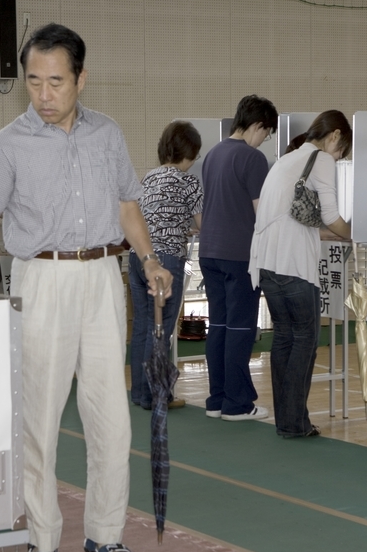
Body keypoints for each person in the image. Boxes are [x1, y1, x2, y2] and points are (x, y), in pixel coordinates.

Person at [0, 23, 173, 552]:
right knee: (39, 415)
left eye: (56, 82)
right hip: (41, 278)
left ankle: (106, 532)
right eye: (34, 81)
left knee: (111, 416)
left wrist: (149, 260)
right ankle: (41, 540)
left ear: (81, 79)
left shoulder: (107, 134)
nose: (44, 94)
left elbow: (127, 206)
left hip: (103, 277)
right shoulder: (9, 143)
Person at [249, 111, 352, 438]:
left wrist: (327, 233)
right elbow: (331, 215)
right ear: (335, 136)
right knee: (305, 339)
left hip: (266, 262)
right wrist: (352, 233)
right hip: (293, 265)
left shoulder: (287, 160)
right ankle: (295, 423)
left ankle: (287, 421)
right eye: (341, 151)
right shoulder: (321, 159)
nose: (338, 158)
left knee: (284, 337)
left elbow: (287, 217)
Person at [199, 95, 277, 421]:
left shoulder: (213, 154)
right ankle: (238, 403)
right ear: (258, 125)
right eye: (266, 133)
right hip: (239, 254)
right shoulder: (252, 158)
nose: (264, 140)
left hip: (209, 251)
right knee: (241, 328)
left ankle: (217, 399)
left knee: (218, 326)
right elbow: (263, 212)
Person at [129, 121, 203, 411]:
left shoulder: (149, 177)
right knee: (160, 330)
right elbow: (204, 225)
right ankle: (156, 395)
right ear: (191, 152)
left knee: (142, 327)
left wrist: (181, 227)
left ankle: (139, 393)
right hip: (166, 260)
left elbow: (154, 217)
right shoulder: (188, 181)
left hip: (138, 257)